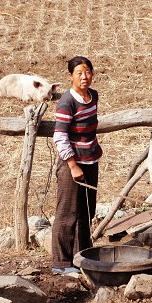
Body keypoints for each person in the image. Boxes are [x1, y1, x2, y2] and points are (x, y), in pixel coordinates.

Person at [51, 56, 102, 274]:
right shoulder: (67, 102)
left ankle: (83, 257)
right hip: (72, 164)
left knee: (86, 211)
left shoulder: (93, 96)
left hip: (90, 160)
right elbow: (60, 137)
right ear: (71, 76)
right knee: (67, 212)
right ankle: (61, 263)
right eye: (79, 73)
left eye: (88, 72)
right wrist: (73, 166)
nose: (84, 77)